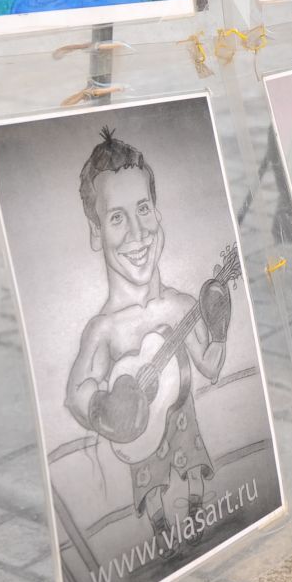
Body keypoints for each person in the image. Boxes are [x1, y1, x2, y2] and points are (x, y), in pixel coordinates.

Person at [65, 128, 233, 553]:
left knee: (191, 460)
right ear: (94, 231)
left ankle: (196, 518)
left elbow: (210, 365)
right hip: (139, 440)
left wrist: (219, 324)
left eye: (143, 208)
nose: (137, 231)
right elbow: (76, 393)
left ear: (158, 214)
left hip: (180, 423)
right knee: (149, 481)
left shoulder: (180, 306)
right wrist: (108, 410)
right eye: (116, 217)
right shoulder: (102, 330)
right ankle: (162, 537)